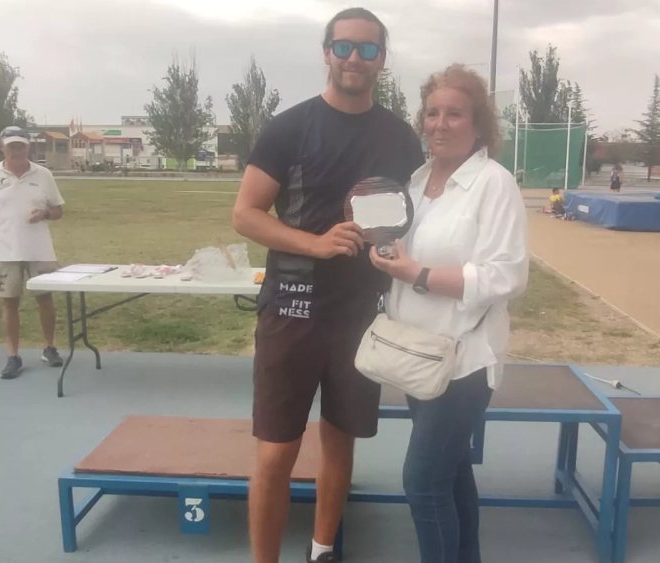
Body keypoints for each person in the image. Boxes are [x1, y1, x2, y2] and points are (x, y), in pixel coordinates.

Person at [231, 8, 425, 563]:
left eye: (368, 49)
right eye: (344, 47)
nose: (354, 58)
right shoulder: (289, 127)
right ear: (326, 53)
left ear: (382, 60)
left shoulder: (399, 138)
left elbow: (410, 217)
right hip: (291, 311)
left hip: (360, 316)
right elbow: (245, 214)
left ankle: (321, 551)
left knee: (339, 445)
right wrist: (314, 244)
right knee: (276, 455)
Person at [368, 63, 529, 563]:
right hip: (418, 355)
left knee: (422, 481)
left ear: (478, 124)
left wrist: (416, 273)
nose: (440, 124)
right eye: (432, 113)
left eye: (454, 114)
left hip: (463, 361)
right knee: (452, 473)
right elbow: (406, 252)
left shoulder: (494, 184)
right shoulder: (417, 183)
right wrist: (384, 254)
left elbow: (506, 276)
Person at [0, 126, 66, 380]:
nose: (16, 151)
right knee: (9, 302)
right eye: (11, 146)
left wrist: (45, 213)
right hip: (5, 251)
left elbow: (58, 210)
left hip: (40, 249)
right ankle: (13, 355)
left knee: (45, 299)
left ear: (28, 147)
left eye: (20, 146)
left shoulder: (43, 174)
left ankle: (49, 347)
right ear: (1, 148)